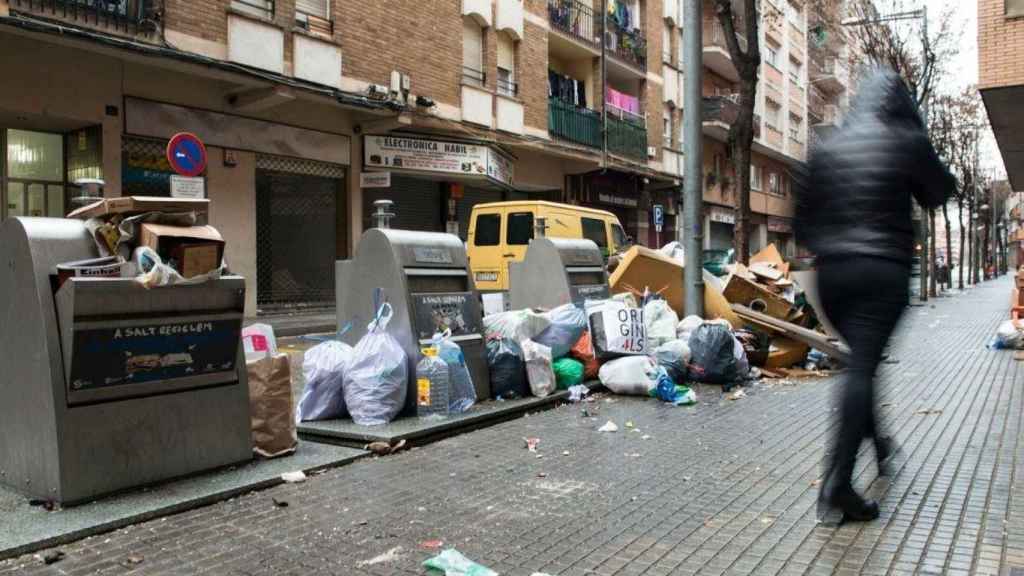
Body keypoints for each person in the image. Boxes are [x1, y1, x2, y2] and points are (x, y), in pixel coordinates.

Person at [795, 68, 954, 524]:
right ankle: (837, 484)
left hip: (832, 277)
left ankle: (879, 445)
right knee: (861, 368)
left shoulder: (826, 147)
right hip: (881, 270)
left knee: (861, 364)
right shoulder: (903, 138)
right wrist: (918, 135)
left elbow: (802, 221)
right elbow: (940, 192)